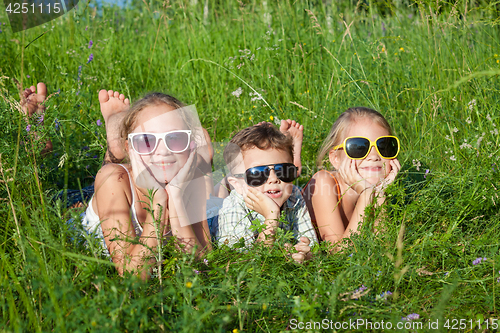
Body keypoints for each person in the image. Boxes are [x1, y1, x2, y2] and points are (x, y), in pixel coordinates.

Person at [84, 90, 212, 279]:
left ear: (190, 145)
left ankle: (123, 145)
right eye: (146, 140)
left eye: (175, 138)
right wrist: (159, 205)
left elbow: (202, 268)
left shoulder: (193, 180)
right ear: (130, 147)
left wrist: (175, 198)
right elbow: (134, 276)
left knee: (205, 173)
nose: (162, 151)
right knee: (91, 187)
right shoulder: (113, 180)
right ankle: (114, 151)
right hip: (107, 194)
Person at [213, 123, 317, 264]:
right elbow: (240, 263)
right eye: (257, 174)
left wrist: (305, 254)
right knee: (210, 195)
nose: (273, 179)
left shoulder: (294, 195)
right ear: (237, 185)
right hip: (210, 213)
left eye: (283, 170)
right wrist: (271, 218)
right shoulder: (234, 206)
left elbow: (313, 247)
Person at [302, 107, 401, 250]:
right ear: (336, 158)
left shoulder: (379, 191)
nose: (374, 156)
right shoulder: (324, 182)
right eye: (359, 148)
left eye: (383, 146)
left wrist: (379, 195)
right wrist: (367, 194)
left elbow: (384, 251)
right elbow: (338, 254)